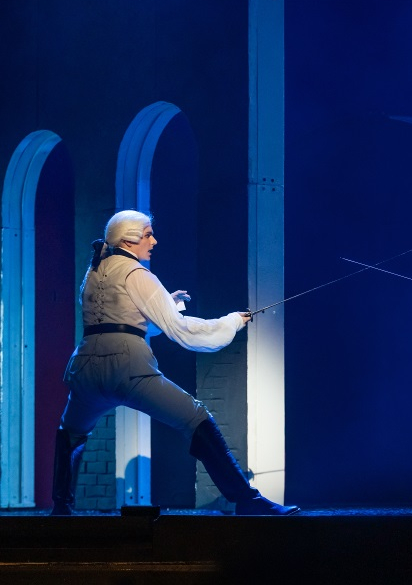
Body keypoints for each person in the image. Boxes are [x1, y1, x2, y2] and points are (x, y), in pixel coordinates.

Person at [52, 210, 299, 516]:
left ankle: (61, 508)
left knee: (70, 430)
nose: (153, 241)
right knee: (196, 417)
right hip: (127, 367)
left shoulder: (94, 272)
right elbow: (180, 331)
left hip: (86, 368)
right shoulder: (136, 273)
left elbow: (124, 317)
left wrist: (168, 302)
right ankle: (247, 500)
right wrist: (231, 322)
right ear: (129, 241)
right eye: (147, 235)